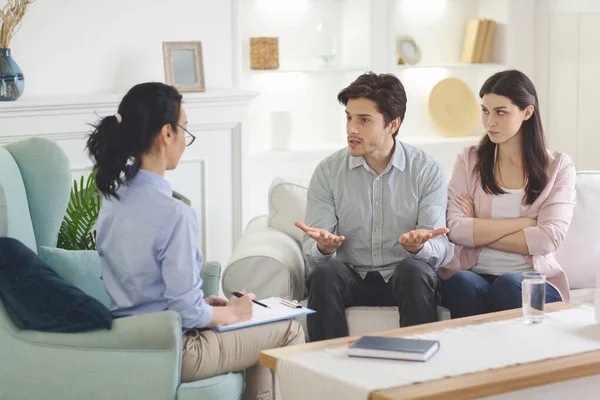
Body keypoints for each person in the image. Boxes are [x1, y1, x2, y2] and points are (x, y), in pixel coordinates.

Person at [86, 82, 304, 400]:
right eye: (184, 130)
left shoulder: (113, 199)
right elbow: (185, 313)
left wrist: (204, 305)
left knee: (255, 340)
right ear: (166, 134)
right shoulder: (175, 213)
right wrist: (236, 312)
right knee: (288, 329)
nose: (185, 142)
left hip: (131, 340)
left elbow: (150, 292)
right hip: (176, 348)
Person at [295, 72, 450, 342]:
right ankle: (324, 367)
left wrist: (419, 246)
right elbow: (314, 249)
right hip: (351, 275)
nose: (351, 129)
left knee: (415, 270)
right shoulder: (328, 172)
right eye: (349, 117)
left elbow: (440, 246)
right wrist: (323, 247)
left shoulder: (425, 170)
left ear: (393, 124)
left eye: (364, 120)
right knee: (324, 273)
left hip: (402, 276)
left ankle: (421, 373)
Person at [439, 70, 576, 318]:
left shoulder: (557, 167)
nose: (490, 121)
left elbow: (547, 239)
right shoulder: (469, 160)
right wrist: (524, 224)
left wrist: (478, 231)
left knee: (509, 285)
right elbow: (456, 230)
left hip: (533, 281)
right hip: (476, 275)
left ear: (527, 112)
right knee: (460, 283)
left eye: (500, 112)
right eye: (485, 111)